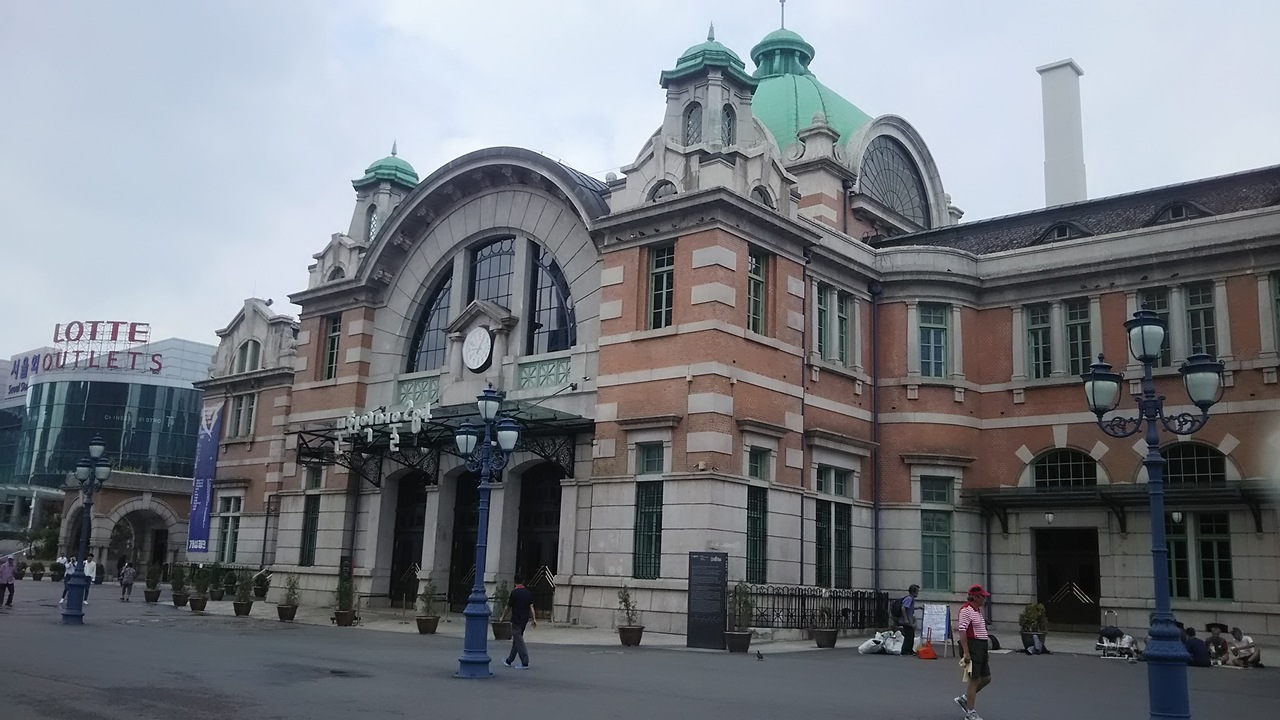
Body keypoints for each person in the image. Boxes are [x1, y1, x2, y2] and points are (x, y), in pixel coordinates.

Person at [955, 584, 993, 720]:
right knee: (974, 679)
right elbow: (962, 631)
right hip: (973, 646)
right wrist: (966, 652)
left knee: (986, 678)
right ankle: (970, 712)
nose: (984, 599)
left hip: (981, 646)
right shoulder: (966, 610)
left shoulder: (976, 610)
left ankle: (965, 698)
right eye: (982, 596)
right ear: (976, 597)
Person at [500, 575, 537, 669]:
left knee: (519, 640)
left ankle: (525, 661)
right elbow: (531, 607)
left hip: (516, 619)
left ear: (515, 582)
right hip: (524, 619)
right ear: (523, 581)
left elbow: (508, 607)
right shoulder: (527, 592)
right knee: (517, 639)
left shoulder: (514, 592)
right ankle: (509, 660)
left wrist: (503, 617)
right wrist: (534, 619)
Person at [898, 584, 920, 655]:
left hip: (908, 620)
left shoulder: (910, 599)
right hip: (906, 621)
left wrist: (918, 608)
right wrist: (906, 619)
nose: (918, 593)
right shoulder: (909, 599)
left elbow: (910, 608)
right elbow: (903, 608)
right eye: (917, 591)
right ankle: (905, 651)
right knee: (909, 636)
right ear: (913, 592)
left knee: (911, 635)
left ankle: (909, 650)